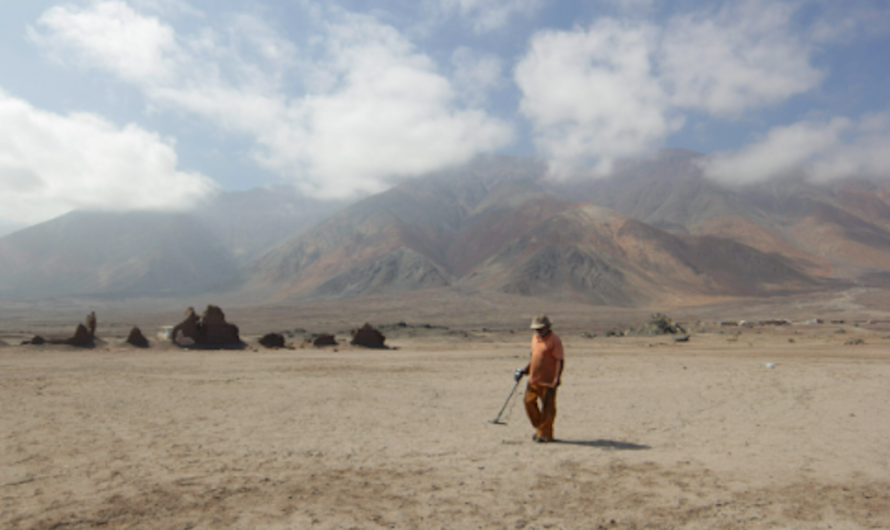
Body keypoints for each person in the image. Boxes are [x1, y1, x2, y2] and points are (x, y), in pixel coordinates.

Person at [515, 314, 564, 443]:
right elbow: (534, 358)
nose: (538, 330)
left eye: (540, 328)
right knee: (528, 402)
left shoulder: (554, 340)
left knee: (548, 408)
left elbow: (559, 360)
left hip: (548, 381)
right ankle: (540, 428)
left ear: (547, 326)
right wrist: (524, 370)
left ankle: (545, 434)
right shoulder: (535, 339)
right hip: (534, 379)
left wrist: (557, 378)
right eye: (536, 328)